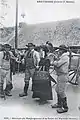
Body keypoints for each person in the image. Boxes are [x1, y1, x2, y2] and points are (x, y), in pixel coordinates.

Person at [51, 44, 69, 113]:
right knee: (57, 90)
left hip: (63, 75)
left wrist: (53, 61)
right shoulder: (62, 56)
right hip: (60, 75)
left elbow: (57, 64)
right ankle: (59, 104)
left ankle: (65, 107)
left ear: (63, 51)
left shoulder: (65, 57)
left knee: (61, 91)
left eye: (60, 50)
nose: (59, 51)